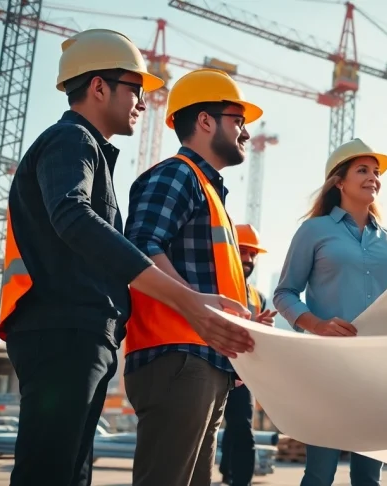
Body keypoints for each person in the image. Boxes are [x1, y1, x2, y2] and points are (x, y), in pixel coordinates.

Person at [0, 30, 253, 486]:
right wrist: (188, 300)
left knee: (67, 471)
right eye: (135, 89)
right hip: (62, 328)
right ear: (99, 87)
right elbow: (73, 217)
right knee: (50, 470)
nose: (142, 102)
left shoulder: (84, 149)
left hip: (78, 331)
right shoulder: (71, 140)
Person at [123, 68, 272, 486]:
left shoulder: (208, 191)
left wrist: (240, 323)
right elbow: (139, 247)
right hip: (177, 357)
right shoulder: (176, 174)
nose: (245, 132)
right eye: (237, 119)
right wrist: (198, 307)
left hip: (203, 359)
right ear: (205, 121)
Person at [273, 138, 387, 486]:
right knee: (320, 474)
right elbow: (284, 293)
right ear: (339, 181)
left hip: (380, 368)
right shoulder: (314, 231)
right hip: (328, 365)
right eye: (363, 170)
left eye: (376, 172)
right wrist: (317, 324)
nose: (373, 177)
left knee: (370, 477)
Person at [220, 223, 274, 486]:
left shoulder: (258, 297)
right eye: (243, 251)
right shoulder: (216, 286)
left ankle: (240, 481)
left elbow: (255, 339)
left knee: (241, 427)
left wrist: (261, 328)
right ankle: (225, 472)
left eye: (252, 254)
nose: (248, 259)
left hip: (243, 374)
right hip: (214, 366)